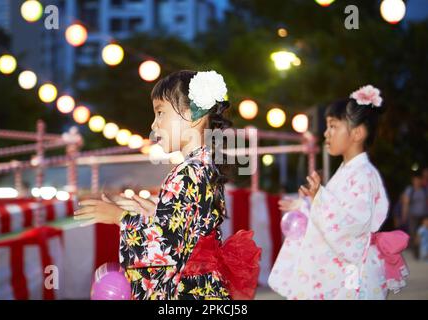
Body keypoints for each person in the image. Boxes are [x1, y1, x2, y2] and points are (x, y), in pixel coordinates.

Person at [74, 70, 261, 300]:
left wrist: (120, 217)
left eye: (160, 113)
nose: (154, 124)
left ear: (193, 115)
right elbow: (191, 226)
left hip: (188, 291)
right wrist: (155, 212)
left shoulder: (189, 172)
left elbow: (168, 246)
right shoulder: (203, 167)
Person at [268, 85, 409, 299]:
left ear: (357, 133)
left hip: (354, 271)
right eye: (327, 126)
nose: (326, 133)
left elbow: (354, 223)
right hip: (343, 268)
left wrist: (319, 199)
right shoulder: (348, 171)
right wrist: (307, 204)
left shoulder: (363, 174)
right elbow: (336, 213)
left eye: (333, 126)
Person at [402, 170, 428, 258]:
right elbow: (406, 203)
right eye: (415, 180)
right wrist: (404, 215)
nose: (417, 182)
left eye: (419, 180)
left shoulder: (425, 190)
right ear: (413, 180)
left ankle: (423, 251)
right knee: (413, 233)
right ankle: (415, 251)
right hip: (413, 215)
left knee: (423, 233)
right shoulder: (410, 190)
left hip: (423, 215)